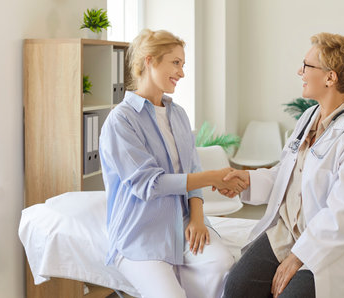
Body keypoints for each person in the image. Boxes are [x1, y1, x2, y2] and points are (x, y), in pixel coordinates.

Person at [222, 33, 344, 298]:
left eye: (306, 66)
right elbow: (288, 174)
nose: (299, 71)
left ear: (330, 77)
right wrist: (248, 180)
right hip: (291, 231)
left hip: (338, 244)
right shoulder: (309, 116)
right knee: (237, 287)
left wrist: (298, 257)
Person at [99, 29, 243, 298]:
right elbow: (150, 185)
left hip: (183, 222)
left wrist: (197, 218)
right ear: (150, 61)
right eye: (175, 63)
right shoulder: (121, 121)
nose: (182, 72)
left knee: (223, 266)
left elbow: (192, 171)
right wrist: (213, 177)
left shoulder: (177, 114)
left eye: (183, 64)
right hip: (140, 234)